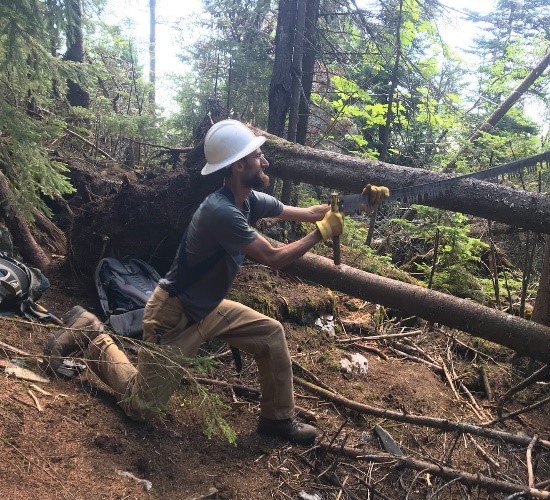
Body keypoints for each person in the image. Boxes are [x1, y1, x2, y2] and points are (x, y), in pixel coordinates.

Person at [46, 119, 353, 445]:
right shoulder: (221, 212)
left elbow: (308, 212)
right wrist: (322, 233)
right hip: (174, 314)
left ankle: (277, 420)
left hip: (206, 307)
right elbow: (274, 257)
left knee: (270, 334)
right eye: (257, 156)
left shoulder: (249, 200)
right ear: (238, 165)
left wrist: (350, 204)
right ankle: (92, 333)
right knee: (141, 405)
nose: (265, 162)